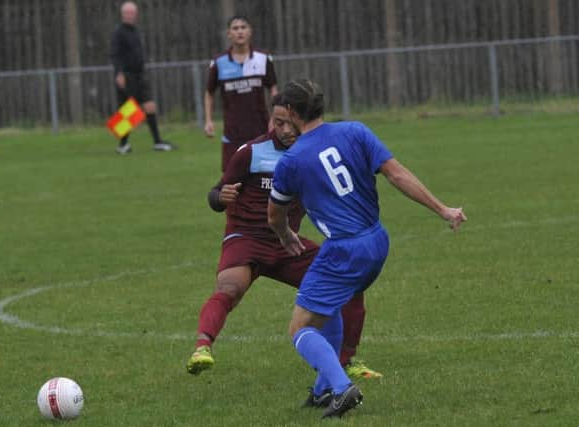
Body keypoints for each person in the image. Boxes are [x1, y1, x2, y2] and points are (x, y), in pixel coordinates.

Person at [268, 79, 467, 419]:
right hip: (376, 241)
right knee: (329, 307)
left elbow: (274, 214)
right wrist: (443, 209)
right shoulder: (356, 131)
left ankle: (342, 387)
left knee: (300, 328)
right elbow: (397, 174)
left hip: (343, 250)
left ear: (294, 113)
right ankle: (322, 389)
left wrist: (285, 234)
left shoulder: (293, 159)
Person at [186, 94, 380, 385]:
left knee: (349, 283)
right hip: (246, 238)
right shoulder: (250, 152)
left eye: (290, 123)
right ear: (270, 120)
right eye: (278, 123)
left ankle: (347, 360)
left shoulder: (310, 152)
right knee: (230, 287)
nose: (285, 130)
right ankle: (202, 347)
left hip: (288, 243)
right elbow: (216, 194)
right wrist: (220, 197)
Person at [204, 15, 278, 171]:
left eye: (243, 27)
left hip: (261, 129)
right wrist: (208, 120)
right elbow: (209, 92)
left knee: (264, 175)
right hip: (232, 132)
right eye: (235, 28)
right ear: (229, 34)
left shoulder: (263, 58)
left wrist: (275, 118)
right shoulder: (219, 62)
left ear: (250, 31)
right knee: (231, 178)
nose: (240, 32)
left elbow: (273, 88)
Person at [110, 1, 175, 154]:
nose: (131, 16)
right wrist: (119, 73)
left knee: (150, 105)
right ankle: (123, 145)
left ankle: (157, 142)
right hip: (127, 75)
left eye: (133, 13)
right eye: (127, 13)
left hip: (140, 75)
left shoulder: (136, 31)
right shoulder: (119, 32)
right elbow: (115, 54)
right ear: (122, 15)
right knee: (130, 110)